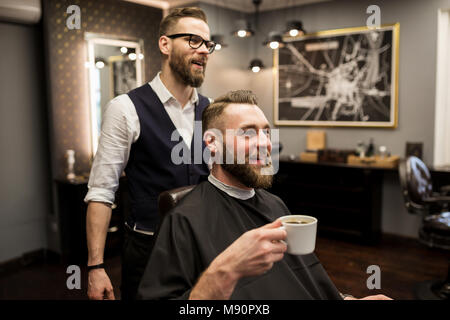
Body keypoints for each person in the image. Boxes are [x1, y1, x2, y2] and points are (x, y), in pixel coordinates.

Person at [137, 90, 392, 300]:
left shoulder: (275, 204)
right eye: (248, 133)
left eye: (266, 132)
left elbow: (304, 278)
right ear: (212, 143)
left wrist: (348, 300)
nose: (265, 143)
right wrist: (224, 272)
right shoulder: (183, 220)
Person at [85, 7, 217, 300]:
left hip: (202, 249)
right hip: (148, 252)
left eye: (208, 44)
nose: (204, 50)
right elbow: (101, 192)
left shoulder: (211, 109)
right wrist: (96, 266)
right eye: (194, 40)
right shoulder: (126, 108)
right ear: (165, 44)